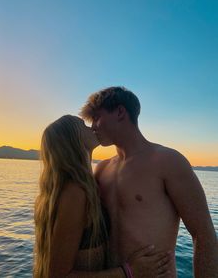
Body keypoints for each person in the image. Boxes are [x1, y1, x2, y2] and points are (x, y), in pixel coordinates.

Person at [80, 86, 218, 278]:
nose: (93, 126)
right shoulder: (102, 169)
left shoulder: (168, 161)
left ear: (120, 112)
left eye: (97, 117)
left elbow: (204, 235)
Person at [33, 115, 172, 278]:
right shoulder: (75, 192)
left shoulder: (84, 185)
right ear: (72, 139)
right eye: (83, 125)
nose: (92, 127)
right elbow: (56, 275)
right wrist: (129, 272)